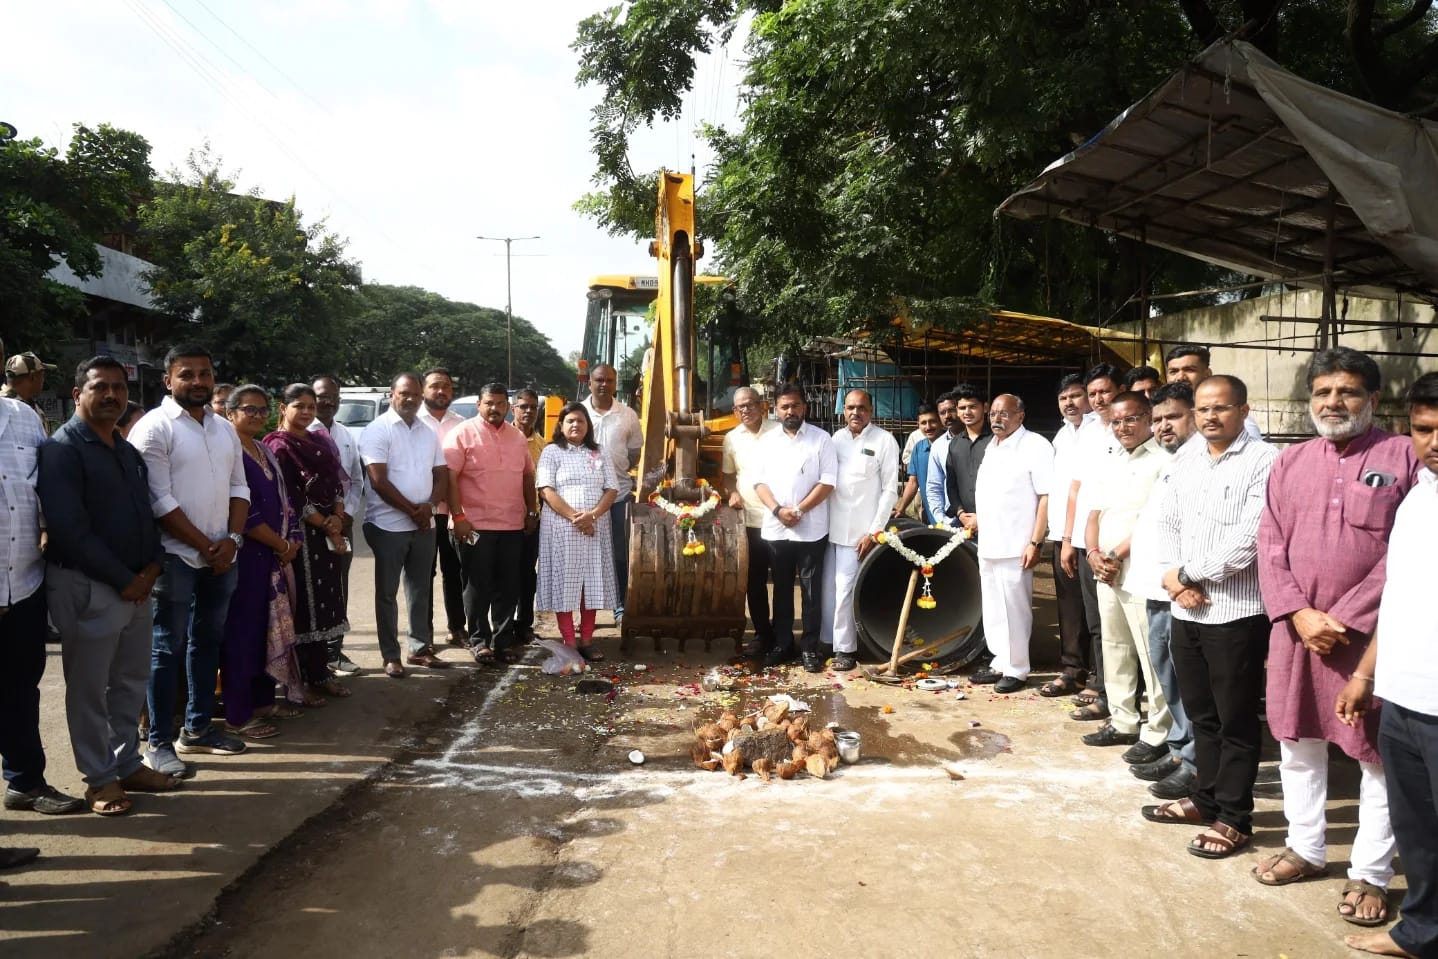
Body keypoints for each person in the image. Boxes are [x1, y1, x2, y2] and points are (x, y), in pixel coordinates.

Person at [1254, 348, 1416, 917]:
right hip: (1297, 633)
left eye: (1347, 392)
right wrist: (1298, 613)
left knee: (1375, 755)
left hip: (1371, 638)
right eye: (1322, 392)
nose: (1333, 403)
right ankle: (1305, 847)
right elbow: (1269, 543)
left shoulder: (1405, 456)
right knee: (1297, 743)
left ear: (1373, 398)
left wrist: (1345, 616)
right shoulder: (1289, 461)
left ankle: (1370, 873)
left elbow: (1411, 550)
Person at [39, 356, 178, 816]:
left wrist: (153, 567)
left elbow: (147, 514)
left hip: (137, 586)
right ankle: (99, 780)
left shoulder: (124, 449)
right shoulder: (63, 450)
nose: (112, 395)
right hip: (89, 585)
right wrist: (127, 580)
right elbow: (69, 530)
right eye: (101, 387)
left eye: (119, 387)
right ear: (77, 393)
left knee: (130, 682)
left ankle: (126, 764)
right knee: (89, 688)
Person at [1145, 374, 1276, 861]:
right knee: (1203, 714)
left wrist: (1188, 573)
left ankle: (1235, 817)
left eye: (1220, 408)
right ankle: (1207, 798)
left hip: (1236, 612)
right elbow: (1168, 519)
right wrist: (1175, 579)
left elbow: (1250, 538)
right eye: (1202, 409)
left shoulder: (1266, 462)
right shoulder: (1187, 458)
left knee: (1235, 717)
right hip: (1187, 609)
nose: (1209, 417)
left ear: (1243, 410)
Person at [1340, 372, 1438, 959]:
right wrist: (1364, 674)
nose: (1435, 442)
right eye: (1424, 429)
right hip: (1403, 697)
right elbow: (1399, 598)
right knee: (1419, 834)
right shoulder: (1418, 497)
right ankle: (1421, 933)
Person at [128, 344, 250, 774]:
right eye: (187, 374)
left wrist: (232, 539)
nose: (198, 382)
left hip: (221, 556)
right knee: (166, 649)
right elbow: (158, 499)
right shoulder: (153, 428)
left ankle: (198, 728)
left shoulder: (222, 428)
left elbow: (240, 487)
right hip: (175, 557)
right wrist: (205, 544)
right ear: (168, 380)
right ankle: (158, 742)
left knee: (207, 643)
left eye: (204, 373)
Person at [0, 350, 84, 820]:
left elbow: (43, 488)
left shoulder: (25, 418)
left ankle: (25, 782)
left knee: (20, 688)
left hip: (25, 582)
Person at [1081, 391, 1172, 760]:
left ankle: (1158, 730)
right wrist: (1092, 553)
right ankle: (1123, 720)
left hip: (1140, 568)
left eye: (1131, 419)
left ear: (1148, 417)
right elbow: (1093, 513)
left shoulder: (1163, 461)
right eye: (1116, 421)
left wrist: (1115, 555)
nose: (1123, 427)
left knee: (1151, 652)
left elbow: (1153, 519)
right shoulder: (1110, 458)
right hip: (1105, 569)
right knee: (1115, 644)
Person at [1127, 382, 1201, 800]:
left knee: (1186, 680)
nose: (1162, 427)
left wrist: (1184, 579)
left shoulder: (1202, 460)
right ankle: (1179, 749)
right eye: (1157, 420)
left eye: (1172, 417)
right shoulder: (1172, 461)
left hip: (1182, 590)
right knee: (1167, 673)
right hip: (1155, 587)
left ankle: (1193, 761)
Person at [224, 386, 307, 737]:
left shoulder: (261, 450)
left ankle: (263, 702)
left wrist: (292, 542)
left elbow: (283, 501)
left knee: (264, 630)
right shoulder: (229, 451)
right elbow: (243, 509)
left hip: (272, 556)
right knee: (241, 636)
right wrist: (279, 543)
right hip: (246, 555)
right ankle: (238, 715)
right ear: (230, 414)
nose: (257, 416)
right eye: (248, 409)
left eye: (261, 410)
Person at [264, 384, 354, 699]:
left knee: (327, 602)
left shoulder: (320, 441)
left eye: (310, 407)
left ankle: (321, 673)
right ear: (282, 408)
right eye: (299, 406)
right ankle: (299, 681)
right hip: (300, 535)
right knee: (302, 606)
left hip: (329, 532)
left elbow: (337, 483)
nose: (305, 412)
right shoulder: (277, 446)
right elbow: (290, 494)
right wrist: (327, 526)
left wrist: (338, 519)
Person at [359, 374, 448, 679]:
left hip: (424, 524)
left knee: (421, 588)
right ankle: (390, 655)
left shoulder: (427, 432)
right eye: (404, 393)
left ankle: (420, 648)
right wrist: (414, 510)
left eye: (415, 395)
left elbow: (441, 474)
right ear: (391, 393)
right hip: (387, 525)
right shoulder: (377, 430)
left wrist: (430, 507)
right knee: (387, 592)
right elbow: (378, 480)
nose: (410, 399)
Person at [447, 383, 538, 665]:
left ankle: (503, 641)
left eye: (500, 403)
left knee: (508, 586)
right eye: (489, 403)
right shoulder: (461, 433)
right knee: (477, 585)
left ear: (507, 407)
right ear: (479, 404)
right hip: (474, 527)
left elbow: (526, 477)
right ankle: (479, 640)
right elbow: (450, 478)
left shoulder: (517, 438)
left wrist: (531, 512)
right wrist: (459, 517)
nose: (494, 408)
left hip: (511, 526)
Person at [970, 394, 1052, 694]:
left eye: (1004, 413)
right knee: (993, 607)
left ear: (1021, 415)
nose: (996, 418)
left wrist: (1035, 541)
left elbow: (1046, 497)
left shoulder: (1035, 446)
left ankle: (1017, 668)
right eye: (993, 413)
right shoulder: (992, 446)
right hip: (989, 541)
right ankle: (1000, 661)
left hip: (1017, 543)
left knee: (1015, 609)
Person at [752, 384, 837, 672]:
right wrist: (778, 510)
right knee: (783, 589)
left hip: (811, 527)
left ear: (805, 407)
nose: (791, 411)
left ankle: (809, 648)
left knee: (812, 590)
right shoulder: (767, 442)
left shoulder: (821, 439)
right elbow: (759, 483)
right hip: (778, 529)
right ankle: (782, 644)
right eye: (785, 406)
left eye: (796, 405)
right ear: (776, 409)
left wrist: (799, 510)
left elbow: (827, 482)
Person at [1060, 364, 1123, 720]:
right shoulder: (1086, 433)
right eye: (1094, 392)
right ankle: (1103, 687)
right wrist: (1069, 539)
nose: (1098, 399)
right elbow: (1076, 489)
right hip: (1087, 541)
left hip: (1116, 542)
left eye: (1104, 392)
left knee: (1120, 623)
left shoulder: (1128, 430)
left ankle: (1114, 692)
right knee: (1097, 620)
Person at [822, 389, 900, 673]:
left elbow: (890, 489)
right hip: (830, 529)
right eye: (851, 407)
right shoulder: (835, 440)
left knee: (845, 591)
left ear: (871, 410)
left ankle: (846, 650)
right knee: (829, 591)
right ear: (843, 410)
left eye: (862, 408)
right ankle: (827, 642)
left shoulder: (884, 441)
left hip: (860, 534)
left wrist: (874, 531)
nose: (856, 413)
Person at [535, 402, 618, 657]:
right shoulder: (552, 452)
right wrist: (576, 518)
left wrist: (592, 515)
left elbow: (612, 489)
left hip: (595, 525)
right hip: (562, 528)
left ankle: (587, 640)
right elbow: (546, 490)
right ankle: (569, 641)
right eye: (570, 420)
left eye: (580, 421)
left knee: (589, 583)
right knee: (566, 584)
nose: (575, 425)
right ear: (561, 425)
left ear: (587, 426)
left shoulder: (600, 452)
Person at [1040, 373, 1097, 698]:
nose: (1070, 403)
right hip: (1062, 534)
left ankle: (1098, 680)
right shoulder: (1062, 436)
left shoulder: (1099, 431)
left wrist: (1070, 538)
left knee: (1095, 612)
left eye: (1076, 396)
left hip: (1085, 538)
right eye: (1064, 398)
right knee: (1069, 608)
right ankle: (1073, 671)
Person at [311, 375, 365, 676]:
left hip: (342, 524)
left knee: (338, 588)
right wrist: (324, 521)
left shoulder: (345, 434)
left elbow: (356, 480)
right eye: (321, 396)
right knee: (312, 590)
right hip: (311, 526)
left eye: (333, 396)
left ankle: (335, 651)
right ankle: (314, 657)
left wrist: (346, 515)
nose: (327, 401)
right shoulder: (302, 432)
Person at [722, 386, 779, 658]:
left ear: (763, 405)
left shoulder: (779, 432)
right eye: (739, 407)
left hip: (780, 520)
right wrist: (731, 493)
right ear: (734, 411)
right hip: (750, 522)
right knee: (754, 582)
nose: (745, 410)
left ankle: (782, 636)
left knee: (781, 581)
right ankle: (762, 635)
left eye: (750, 404)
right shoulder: (731, 439)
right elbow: (728, 476)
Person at [583, 364, 642, 628]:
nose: (604, 384)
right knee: (585, 556)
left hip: (618, 498)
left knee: (620, 555)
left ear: (615, 384)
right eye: (599, 380)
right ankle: (588, 613)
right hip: (585, 500)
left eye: (609, 380)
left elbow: (634, 453)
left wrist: (616, 471)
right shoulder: (578, 413)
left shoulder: (627, 415)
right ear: (590, 383)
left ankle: (621, 607)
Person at [418, 368, 468, 648]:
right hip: (420, 511)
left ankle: (457, 628)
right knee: (423, 574)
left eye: (446, 387)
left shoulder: (461, 424)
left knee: (454, 571)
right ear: (424, 389)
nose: (441, 391)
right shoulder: (413, 422)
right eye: (435, 386)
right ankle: (422, 633)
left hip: (450, 511)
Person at [1165, 344, 1263, 439]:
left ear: (1207, 374)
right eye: (1173, 371)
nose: (1180, 377)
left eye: (1189, 370)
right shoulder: (1161, 419)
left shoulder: (1239, 423)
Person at [927, 384, 990, 532]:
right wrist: (961, 514)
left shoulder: (997, 440)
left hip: (995, 522)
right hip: (963, 525)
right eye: (962, 408)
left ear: (985, 408)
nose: (967, 412)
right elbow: (951, 484)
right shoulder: (955, 444)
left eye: (973, 406)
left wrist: (982, 517)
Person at [512, 389, 548, 645]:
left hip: (532, 521)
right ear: (512, 409)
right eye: (523, 406)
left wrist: (535, 514)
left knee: (527, 574)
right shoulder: (502, 439)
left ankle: (523, 624)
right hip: (502, 519)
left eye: (533, 407)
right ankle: (500, 626)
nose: (528, 411)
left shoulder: (544, 447)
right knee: (502, 575)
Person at [893, 403, 942, 524]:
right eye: (924, 423)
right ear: (918, 425)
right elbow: (913, 482)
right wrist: (901, 508)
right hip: (930, 516)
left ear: (940, 421)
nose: (928, 426)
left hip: (954, 518)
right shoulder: (919, 448)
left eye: (932, 421)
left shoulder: (953, 445)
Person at [2, 351, 56, 433]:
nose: (43, 380)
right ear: (32, 377)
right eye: (42, 375)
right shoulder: (4, 407)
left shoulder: (31, 404)